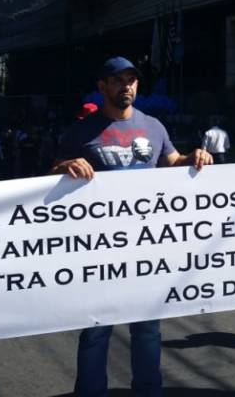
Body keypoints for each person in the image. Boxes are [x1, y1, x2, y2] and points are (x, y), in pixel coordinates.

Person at [52, 56, 213, 397]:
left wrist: (194, 157)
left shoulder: (154, 126)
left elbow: (172, 162)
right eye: (118, 80)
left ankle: (149, 390)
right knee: (97, 329)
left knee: (148, 328)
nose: (127, 86)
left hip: (146, 247)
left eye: (132, 80)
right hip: (97, 250)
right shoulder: (81, 130)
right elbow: (50, 176)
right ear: (102, 87)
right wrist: (66, 165)